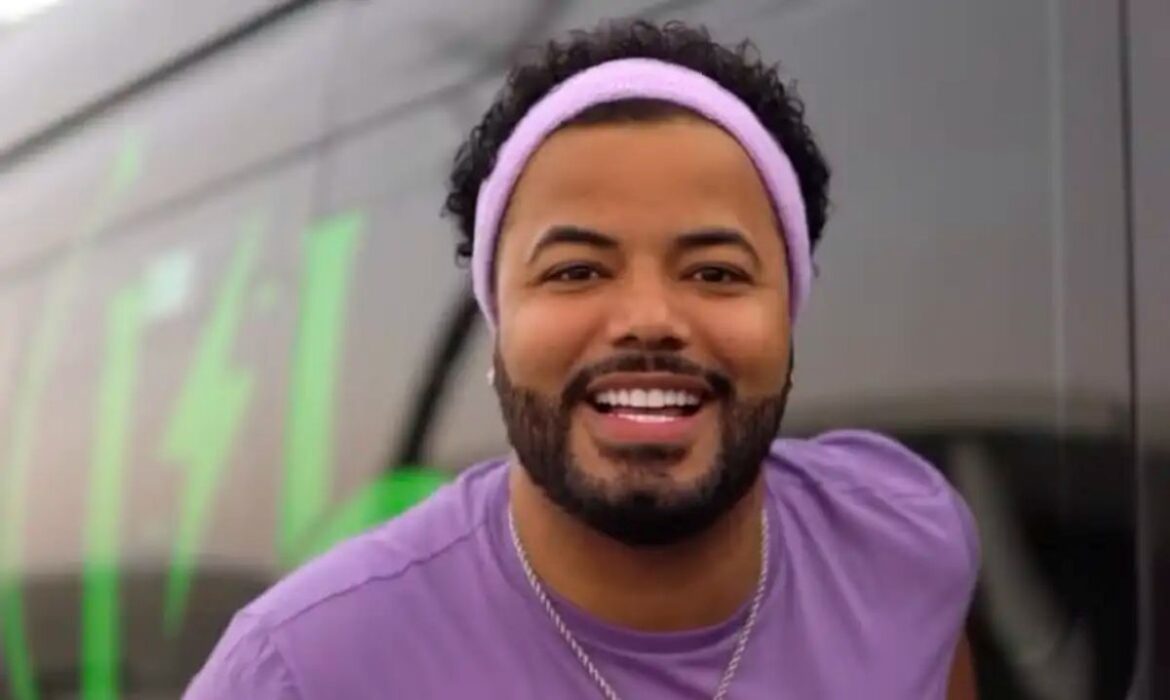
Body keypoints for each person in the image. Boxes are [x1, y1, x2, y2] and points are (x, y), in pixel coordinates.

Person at [185, 20, 979, 699]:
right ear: (499, 329)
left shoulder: (903, 542)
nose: (647, 320)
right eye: (575, 271)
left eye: (715, 273)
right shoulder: (303, 670)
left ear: (788, 315)